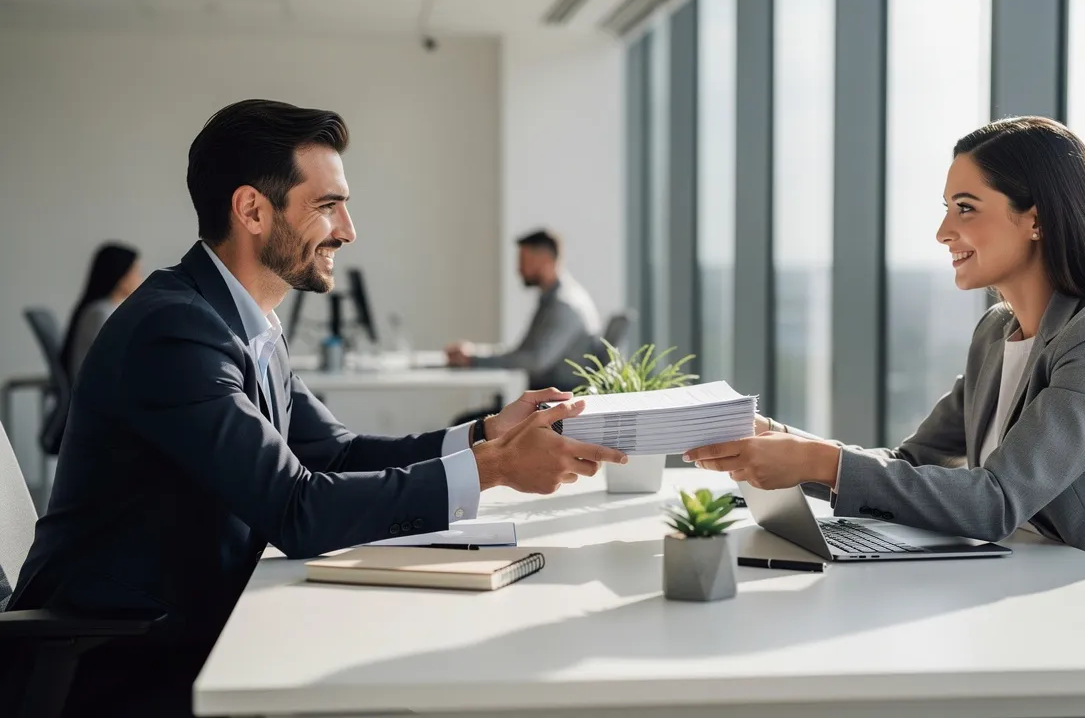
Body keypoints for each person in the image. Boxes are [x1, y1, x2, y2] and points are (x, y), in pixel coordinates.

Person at [5, 99, 628, 715]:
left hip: (203, 621)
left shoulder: (244, 321)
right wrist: (493, 468)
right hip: (123, 659)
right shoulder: (176, 330)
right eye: (328, 206)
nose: (348, 230)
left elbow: (336, 452)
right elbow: (296, 509)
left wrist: (488, 432)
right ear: (252, 209)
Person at [686, 116, 1085, 587]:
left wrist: (818, 462)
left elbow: (996, 501)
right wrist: (778, 441)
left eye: (966, 208)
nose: (944, 232)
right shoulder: (996, 333)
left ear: (1036, 220)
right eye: (947, 209)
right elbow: (910, 466)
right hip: (1040, 579)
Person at [445, 229, 600, 392]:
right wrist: (474, 354)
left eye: (524, 260)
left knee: (465, 419)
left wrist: (473, 359)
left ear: (545, 260)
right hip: (547, 401)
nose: (519, 269)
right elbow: (523, 353)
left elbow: (535, 361)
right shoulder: (553, 300)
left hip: (558, 405)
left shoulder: (564, 305)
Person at [61, 242, 142, 379]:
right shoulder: (102, 313)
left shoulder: (104, 310)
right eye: (137, 272)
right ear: (122, 276)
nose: (141, 279)